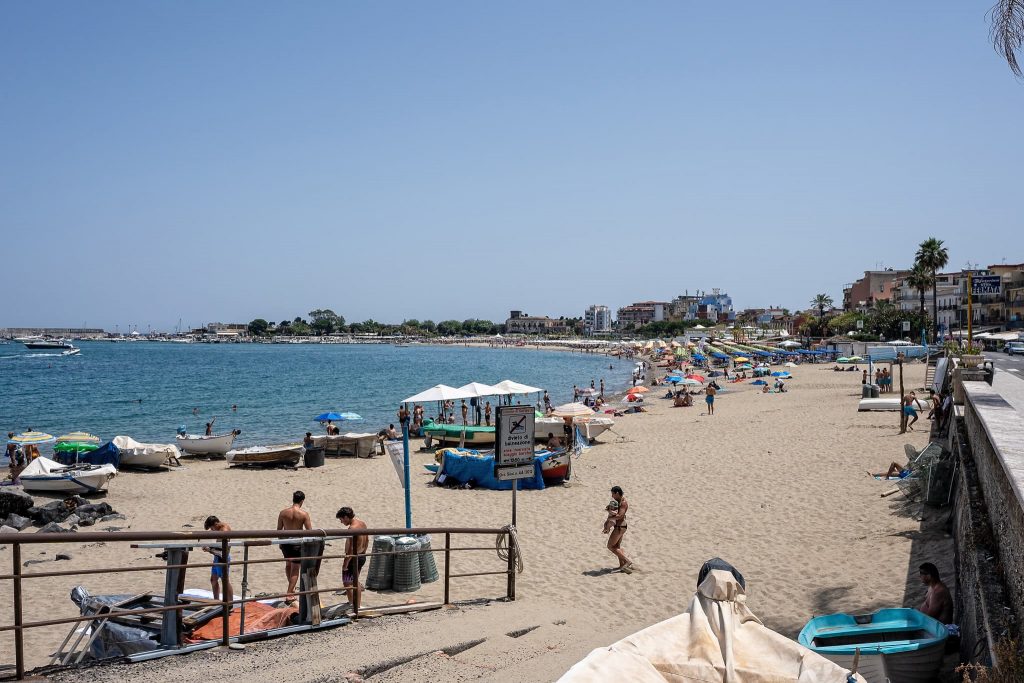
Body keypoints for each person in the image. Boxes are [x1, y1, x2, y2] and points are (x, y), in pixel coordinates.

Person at [277, 491, 312, 602]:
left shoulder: (283, 513)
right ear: (302, 501)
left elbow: (279, 530)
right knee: (295, 569)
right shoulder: (304, 514)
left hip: (286, 543)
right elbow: (309, 531)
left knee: (288, 565)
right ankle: (289, 593)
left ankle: (291, 590)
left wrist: (281, 542)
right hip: (297, 544)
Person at [336, 507, 368, 607]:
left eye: (341, 519)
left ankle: (353, 605)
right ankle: (356, 605)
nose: (341, 522)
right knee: (355, 581)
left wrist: (345, 563)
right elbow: (367, 541)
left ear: (346, 517)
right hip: (362, 555)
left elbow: (351, 548)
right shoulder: (362, 524)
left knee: (347, 582)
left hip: (353, 558)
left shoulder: (352, 528)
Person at [203, 516, 234, 608]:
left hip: (222, 558)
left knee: (225, 581)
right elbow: (219, 547)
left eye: (212, 528)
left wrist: (209, 549)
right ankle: (216, 601)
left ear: (216, 524)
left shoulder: (224, 531)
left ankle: (230, 603)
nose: (212, 531)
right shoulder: (219, 528)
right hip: (217, 557)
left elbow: (223, 551)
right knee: (213, 580)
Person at [603, 486, 633, 573]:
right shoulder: (617, 502)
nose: (612, 496)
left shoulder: (623, 503)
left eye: (613, 494)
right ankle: (622, 566)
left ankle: (627, 561)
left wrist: (609, 519)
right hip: (620, 526)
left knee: (610, 546)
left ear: (617, 493)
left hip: (620, 527)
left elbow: (620, 515)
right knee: (617, 547)